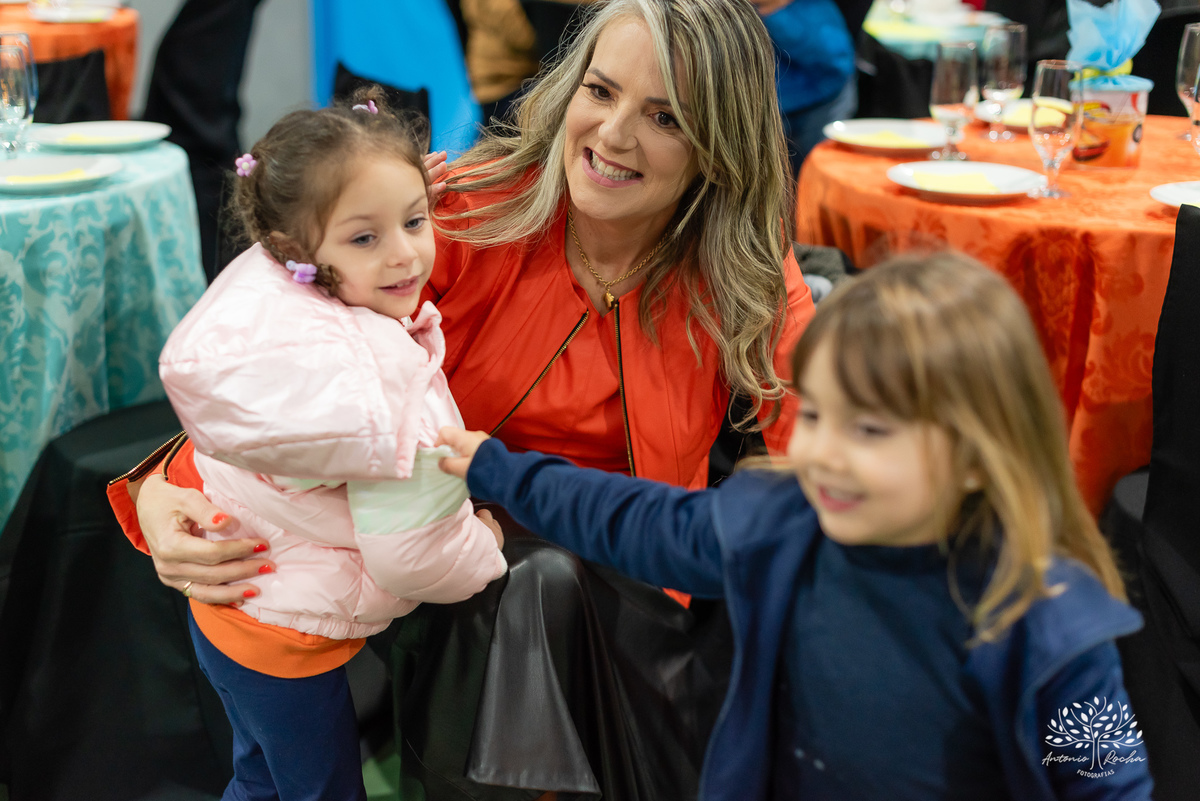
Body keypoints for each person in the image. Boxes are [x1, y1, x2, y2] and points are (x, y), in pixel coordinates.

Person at [108, 1, 814, 798]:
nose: (613, 134)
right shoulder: (454, 214)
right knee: (527, 586)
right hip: (417, 566)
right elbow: (275, 361)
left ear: (719, 143)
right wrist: (163, 486)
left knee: (546, 585)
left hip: (625, 594)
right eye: (601, 90)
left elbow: (814, 475)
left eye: (664, 116)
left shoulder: (746, 276)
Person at [436, 252, 1155, 801]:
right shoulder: (781, 526)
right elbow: (636, 520)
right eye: (814, 414)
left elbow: (1106, 783)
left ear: (977, 456)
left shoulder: (1051, 628)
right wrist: (503, 471)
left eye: (870, 429)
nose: (823, 453)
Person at [153, 88, 507, 800]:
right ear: (298, 251)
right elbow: (412, 551)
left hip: (230, 614)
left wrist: (363, 208)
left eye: (415, 219)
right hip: (289, 639)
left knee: (259, 775)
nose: (407, 254)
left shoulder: (265, 294)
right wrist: (486, 544)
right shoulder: (386, 390)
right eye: (365, 237)